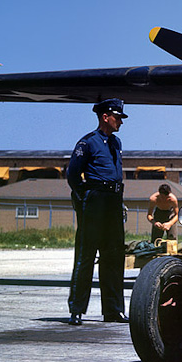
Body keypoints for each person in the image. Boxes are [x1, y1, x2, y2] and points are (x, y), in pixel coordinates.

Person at [66, 98, 128, 326]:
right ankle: (77, 309)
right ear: (105, 117)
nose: (120, 121)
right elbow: (73, 175)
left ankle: (113, 310)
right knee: (86, 254)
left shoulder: (116, 142)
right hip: (95, 200)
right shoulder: (88, 142)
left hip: (113, 200)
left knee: (114, 255)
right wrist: (86, 199)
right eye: (117, 117)